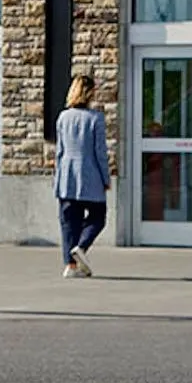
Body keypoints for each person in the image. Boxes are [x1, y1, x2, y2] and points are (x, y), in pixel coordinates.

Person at [55, 74, 111, 279]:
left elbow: (59, 151)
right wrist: (106, 178)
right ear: (89, 93)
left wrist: (58, 178)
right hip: (90, 175)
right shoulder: (95, 119)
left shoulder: (63, 117)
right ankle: (81, 246)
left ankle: (70, 265)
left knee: (69, 221)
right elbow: (100, 153)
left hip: (67, 175)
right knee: (98, 217)